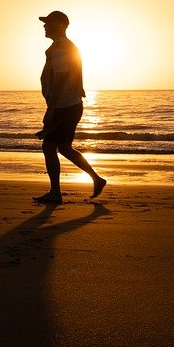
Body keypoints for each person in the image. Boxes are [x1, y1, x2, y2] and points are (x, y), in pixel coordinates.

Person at [34, 11, 106, 204]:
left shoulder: (60, 49)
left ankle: (55, 193)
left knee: (49, 146)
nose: (44, 26)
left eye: (48, 23)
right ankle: (97, 179)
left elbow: (62, 77)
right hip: (70, 105)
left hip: (64, 106)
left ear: (58, 25)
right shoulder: (64, 47)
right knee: (64, 148)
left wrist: (53, 109)